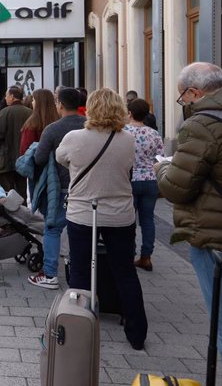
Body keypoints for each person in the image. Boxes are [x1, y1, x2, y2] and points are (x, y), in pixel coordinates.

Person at [57, 88, 148, 351]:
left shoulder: (74, 137)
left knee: (80, 270)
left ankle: (77, 331)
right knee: (125, 271)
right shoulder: (127, 139)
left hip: (83, 211)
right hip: (120, 213)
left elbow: (60, 158)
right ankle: (137, 333)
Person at [155, 61, 222, 368]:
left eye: (183, 97)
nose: (183, 103)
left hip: (215, 235)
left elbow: (177, 188)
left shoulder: (202, 124)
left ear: (195, 92)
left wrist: (162, 168)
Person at [27, 88, 85, 289]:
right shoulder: (89, 125)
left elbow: (39, 158)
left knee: (52, 228)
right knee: (82, 231)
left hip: (60, 186)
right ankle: (82, 275)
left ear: (59, 104)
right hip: (85, 188)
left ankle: (50, 274)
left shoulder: (52, 129)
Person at [125, 98, 164, 272]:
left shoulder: (124, 132)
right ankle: (146, 256)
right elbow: (160, 158)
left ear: (130, 113)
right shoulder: (153, 134)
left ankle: (129, 253)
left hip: (130, 180)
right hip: (150, 180)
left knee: (129, 220)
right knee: (148, 219)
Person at [0, 86, 32, 200]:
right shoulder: (29, 112)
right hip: (24, 160)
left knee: (5, 194)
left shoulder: (5, 112)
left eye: (7, 95)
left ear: (12, 97)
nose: (5, 98)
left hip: (5, 161)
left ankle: (8, 217)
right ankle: (22, 216)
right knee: (22, 194)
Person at [19, 89, 59, 156]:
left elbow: (25, 149)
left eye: (34, 100)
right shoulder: (58, 120)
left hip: (36, 163)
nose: (32, 102)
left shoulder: (32, 123)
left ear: (39, 102)